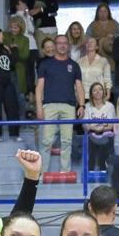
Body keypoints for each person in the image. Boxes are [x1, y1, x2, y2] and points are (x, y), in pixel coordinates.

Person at [35, 34, 85, 173]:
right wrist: (39, 107)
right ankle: (42, 173)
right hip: (49, 106)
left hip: (69, 106)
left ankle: (65, 172)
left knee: (67, 141)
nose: (62, 45)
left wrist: (81, 105)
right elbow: (39, 88)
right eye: (59, 43)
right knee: (46, 141)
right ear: (55, 45)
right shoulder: (45, 64)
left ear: (68, 46)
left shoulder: (74, 65)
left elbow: (79, 87)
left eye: (65, 43)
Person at [83, 82, 116, 172]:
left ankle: (103, 167)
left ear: (104, 92)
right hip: (92, 134)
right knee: (90, 137)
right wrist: (96, 129)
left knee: (107, 136)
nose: (98, 92)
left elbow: (110, 126)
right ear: (91, 94)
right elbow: (85, 125)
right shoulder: (87, 106)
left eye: (100, 89)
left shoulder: (110, 106)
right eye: (95, 90)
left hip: (105, 133)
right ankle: (90, 169)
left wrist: (100, 128)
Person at [3, 15, 33, 100]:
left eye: (16, 27)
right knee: (7, 96)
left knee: (20, 95)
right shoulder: (4, 35)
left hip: (19, 70)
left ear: (21, 27)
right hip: (6, 70)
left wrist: (16, 50)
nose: (13, 29)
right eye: (11, 27)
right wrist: (6, 48)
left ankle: (21, 113)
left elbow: (25, 56)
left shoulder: (25, 39)